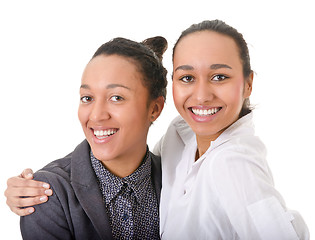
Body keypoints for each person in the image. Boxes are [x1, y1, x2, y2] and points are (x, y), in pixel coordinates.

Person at [5, 20, 309, 239]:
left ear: (155, 108)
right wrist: (21, 186)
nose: (201, 96)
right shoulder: (180, 140)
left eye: (117, 98)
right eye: (187, 78)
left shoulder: (234, 164)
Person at [6, 36, 168, 239]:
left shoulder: (179, 180)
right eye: (87, 98)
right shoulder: (47, 192)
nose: (97, 115)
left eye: (116, 98)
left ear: (154, 109)